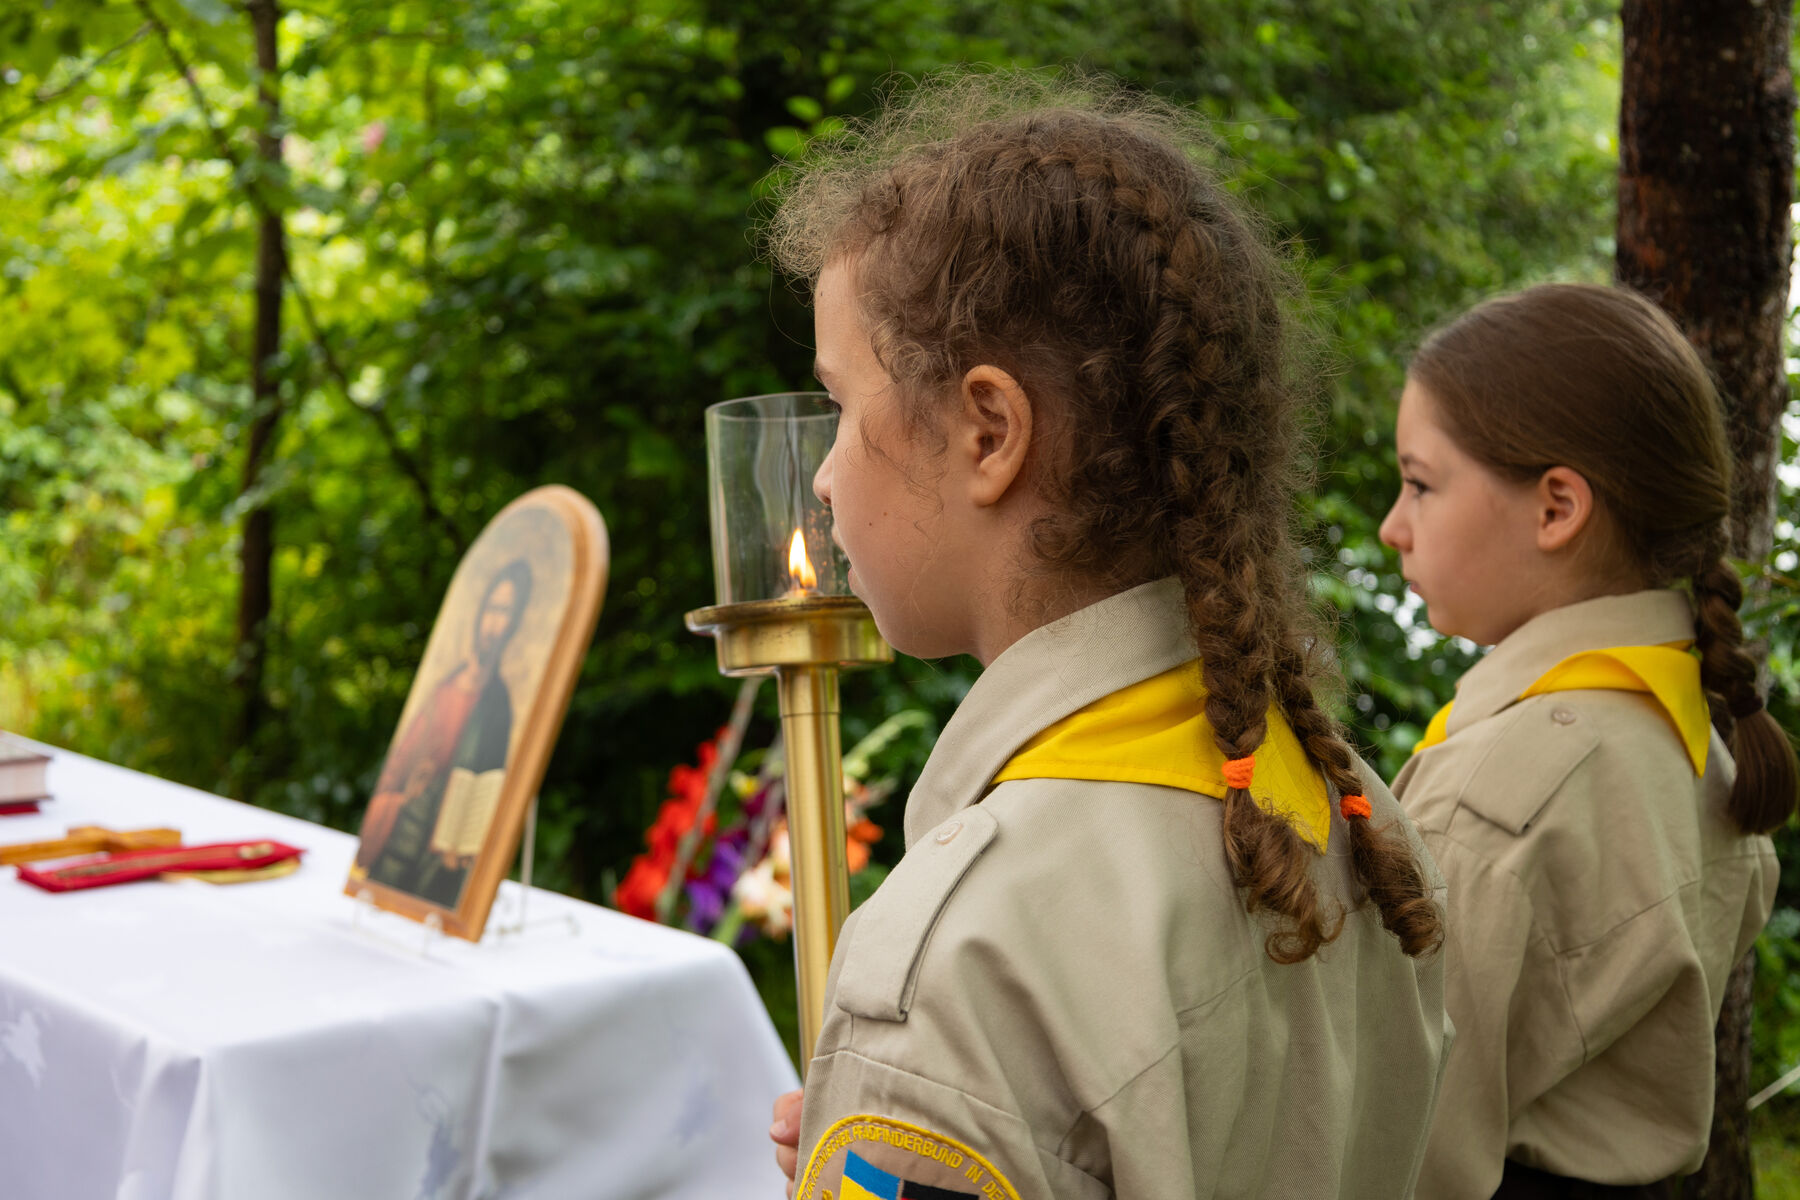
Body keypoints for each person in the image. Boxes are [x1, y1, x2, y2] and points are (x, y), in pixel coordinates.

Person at [763, 72, 1450, 1199]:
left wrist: (913, 1079)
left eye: (843, 402)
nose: (828, 480)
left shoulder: (978, 951)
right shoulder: (1337, 805)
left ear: (989, 431)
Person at [1378, 283, 1792, 1199]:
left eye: (1420, 483)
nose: (1393, 525)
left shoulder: (1501, 799)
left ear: (1557, 507)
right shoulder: (1694, 741)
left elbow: (1405, 1151)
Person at [356, 558, 530, 906]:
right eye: (492, 609)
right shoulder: (443, 689)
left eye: (505, 613)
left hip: (441, 868)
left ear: (514, 624)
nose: (494, 624)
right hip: (397, 850)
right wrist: (404, 795)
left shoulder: (498, 704)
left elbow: (489, 787)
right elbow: (396, 774)